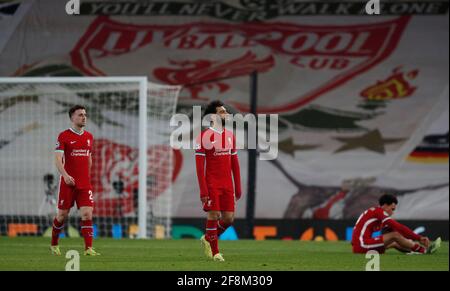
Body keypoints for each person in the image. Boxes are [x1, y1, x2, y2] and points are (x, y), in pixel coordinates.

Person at [195, 100, 242, 262]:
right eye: (222, 112)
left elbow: (235, 164)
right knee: (214, 215)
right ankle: (215, 253)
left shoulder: (230, 136)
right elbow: (200, 168)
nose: (227, 114)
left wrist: (238, 186)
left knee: (228, 219)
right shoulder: (203, 137)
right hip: (212, 184)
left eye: (226, 111)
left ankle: (208, 237)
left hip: (227, 184)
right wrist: (203, 191)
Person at [50, 105, 100, 256]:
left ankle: (88, 249)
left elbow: (89, 159)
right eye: (80, 115)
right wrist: (65, 176)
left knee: (87, 214)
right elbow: (58, 159)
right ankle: (54, 244)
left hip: (84, 184)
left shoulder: (89, 137)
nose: (84, 117)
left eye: (85, 114)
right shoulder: (64, 136)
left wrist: (86, 177)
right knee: (62, 216)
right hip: (68, 183)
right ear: (72, 118)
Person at [352, 194, 441, 254]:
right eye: (392, 209)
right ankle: (424, 251)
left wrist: (411, 241)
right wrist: (419, 238)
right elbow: (398, 228)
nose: (392, 213)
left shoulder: (375, 213)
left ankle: (415, 252)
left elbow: (399, 233)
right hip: (362, 245)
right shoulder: (379, 212)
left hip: (359, 245)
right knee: (395, 235)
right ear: (385, 205)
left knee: (394, 241)